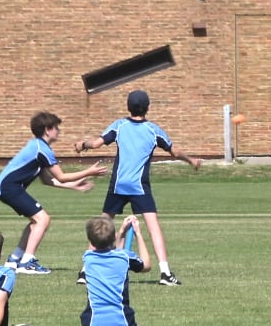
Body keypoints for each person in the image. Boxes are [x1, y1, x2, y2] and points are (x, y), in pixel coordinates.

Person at [78, 87, 201, 286]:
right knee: (154, 228)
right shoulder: (153, 130)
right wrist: (191, 160)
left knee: (102, 225)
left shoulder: (119, 126)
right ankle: (165, 273)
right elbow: (174, 151)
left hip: (118, 185)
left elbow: (96, 143)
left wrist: (82, 144)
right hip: (138, 187)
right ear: (147, 108)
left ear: (128, 107)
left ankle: (85, 271)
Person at [0, 111, 106, 274]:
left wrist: (74, 186)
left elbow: (47, 180)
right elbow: (61, 176)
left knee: (36, 221)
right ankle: (27, 263)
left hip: (6, 187)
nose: (58, 131)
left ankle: (15, 259)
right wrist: (88, 171)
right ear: (47, 130)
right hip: (9, 187)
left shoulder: (38, 147)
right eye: (56, 128)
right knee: (43, 219)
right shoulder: (42, 149)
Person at [79, 215, 155, 326]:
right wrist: (138, 234)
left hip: (92, 323)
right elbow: (146, 265)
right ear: (113, 237)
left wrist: (121, 232)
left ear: (90, 241)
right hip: (123, 322)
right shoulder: (124, 257)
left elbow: (112, 250)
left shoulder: (88, 258)